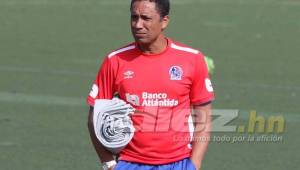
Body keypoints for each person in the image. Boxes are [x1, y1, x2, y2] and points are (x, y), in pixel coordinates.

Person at [87, 0, 215, 169]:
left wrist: (194, 164)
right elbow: (93, 118)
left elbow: (204, 119)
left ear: (164, 21)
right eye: (134, 17)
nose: (138, 25)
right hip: (129, 163)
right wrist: (109, 163)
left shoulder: (192, 59)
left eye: (146, 18)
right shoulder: (115, 61)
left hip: (179, 163)